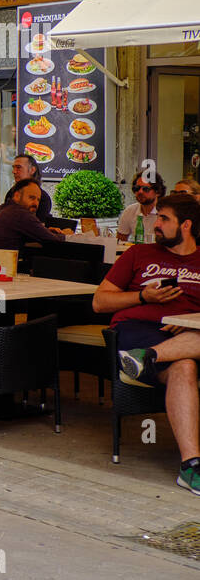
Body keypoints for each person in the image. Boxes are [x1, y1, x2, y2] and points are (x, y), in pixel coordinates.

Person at [94, 193, 200, 496]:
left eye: (164, 219)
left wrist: (193, 317)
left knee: (185, 364)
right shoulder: (138, 254)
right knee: (185, 363)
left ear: (186, 225)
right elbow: (99, 302)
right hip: (138, 328)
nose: (156, 224)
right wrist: (142, 297)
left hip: (188, 336)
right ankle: (192, 466)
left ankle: (144, 359)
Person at [0, 178, 67, 260]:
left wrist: (45, 231)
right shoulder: (20, 213)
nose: (35, 203)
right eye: (31, 198)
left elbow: (18, 234)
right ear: (17, 196)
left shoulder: (1, 209)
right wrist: (65, 235)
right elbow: (53, 241)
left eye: (38, 199)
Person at [10, 153, 74, 230]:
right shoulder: (11, 193)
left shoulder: (43, 198)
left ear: (32, 170)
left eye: (18, 167)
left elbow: (37, 229)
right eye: (13, 168)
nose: (14, 171)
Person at [118, 169, 165, 243]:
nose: (140, 192)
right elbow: (120, 240)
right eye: (137, 188)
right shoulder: (130, 211)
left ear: (157, 192)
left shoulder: (165, 212)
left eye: (145, 189)